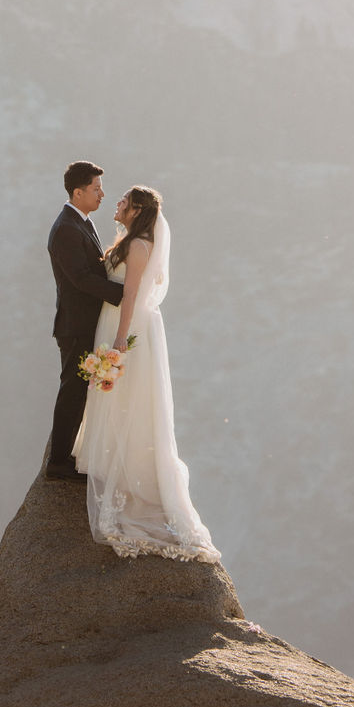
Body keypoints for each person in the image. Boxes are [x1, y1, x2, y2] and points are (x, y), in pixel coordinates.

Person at [73, 185, 219, 562]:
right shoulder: (128, 241)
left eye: (122, 201)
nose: (116, 204)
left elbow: (132, 294)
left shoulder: (139, 247)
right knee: (117, 396)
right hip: (115, 323)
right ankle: (112, 461)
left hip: (128, 326)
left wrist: (120, 339)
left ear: (137, 209)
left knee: (130, 399)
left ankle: (132, 476)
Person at [46, 161, 125, 481]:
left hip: (84, 323)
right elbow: (79, 278)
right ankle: (58, 462)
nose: (102, 194)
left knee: (78, 389)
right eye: (96, 189)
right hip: (75, 325)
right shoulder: (66, 227)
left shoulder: (81, 222)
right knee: (73, 390)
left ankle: (65, 455)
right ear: (77, 192)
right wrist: (123, 294)